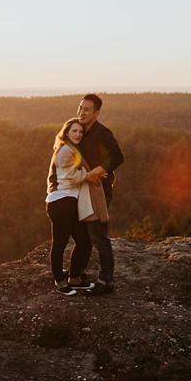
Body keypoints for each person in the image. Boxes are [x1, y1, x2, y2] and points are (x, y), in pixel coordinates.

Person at [65, 94, 124, 295]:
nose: (81, 112)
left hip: (99, 192)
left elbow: (118, 156)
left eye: (86, 109)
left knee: (99, 237)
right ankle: (79, 272)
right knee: (84, 235)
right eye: (80, 108)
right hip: (82, 191)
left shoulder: (102, 133)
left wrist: (99, 169)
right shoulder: (80, 131)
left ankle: (107, 282)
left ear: (97, 113)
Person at [45, 118, 92, 290]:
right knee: (60, 242)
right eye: (74, 131)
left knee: (83, 240)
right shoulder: (65, 150)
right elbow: (71, 177)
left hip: (68, 201)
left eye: (80, 132)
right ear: (66, 133)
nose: (78, 134)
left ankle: (74, 277)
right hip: (60, 201)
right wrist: (89, 174)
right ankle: (60, 280)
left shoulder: (71, 150)